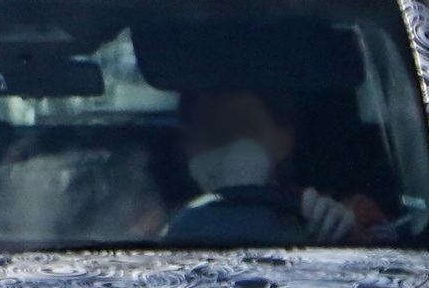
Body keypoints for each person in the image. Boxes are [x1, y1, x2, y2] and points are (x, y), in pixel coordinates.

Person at [168, 89, 392, 245]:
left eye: (243, 128)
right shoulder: (161, 217)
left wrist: (344, 233)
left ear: (284, 139)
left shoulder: (347, 209)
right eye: (209, 132)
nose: (226, 148)